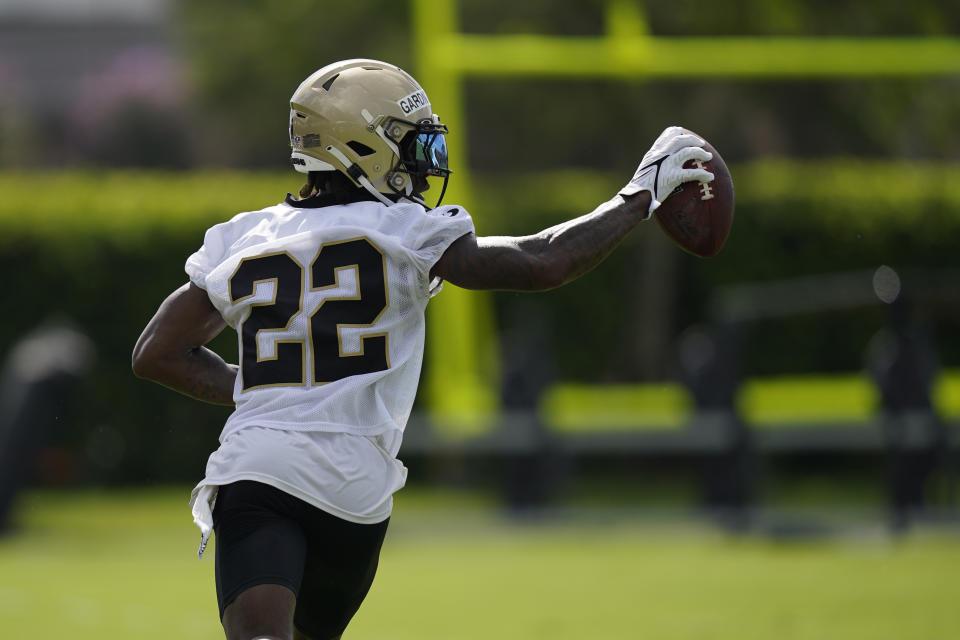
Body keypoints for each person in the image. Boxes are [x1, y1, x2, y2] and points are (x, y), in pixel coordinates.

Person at [132, 58, 713, 640]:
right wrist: (638, 197)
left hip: (259, 466)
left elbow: (156, 351)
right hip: (355, 488)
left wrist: (260, 392)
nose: (421, 162)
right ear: (359, 145)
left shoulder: (242, 236)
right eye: (408, 144)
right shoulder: (406, 230)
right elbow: (544, 262)